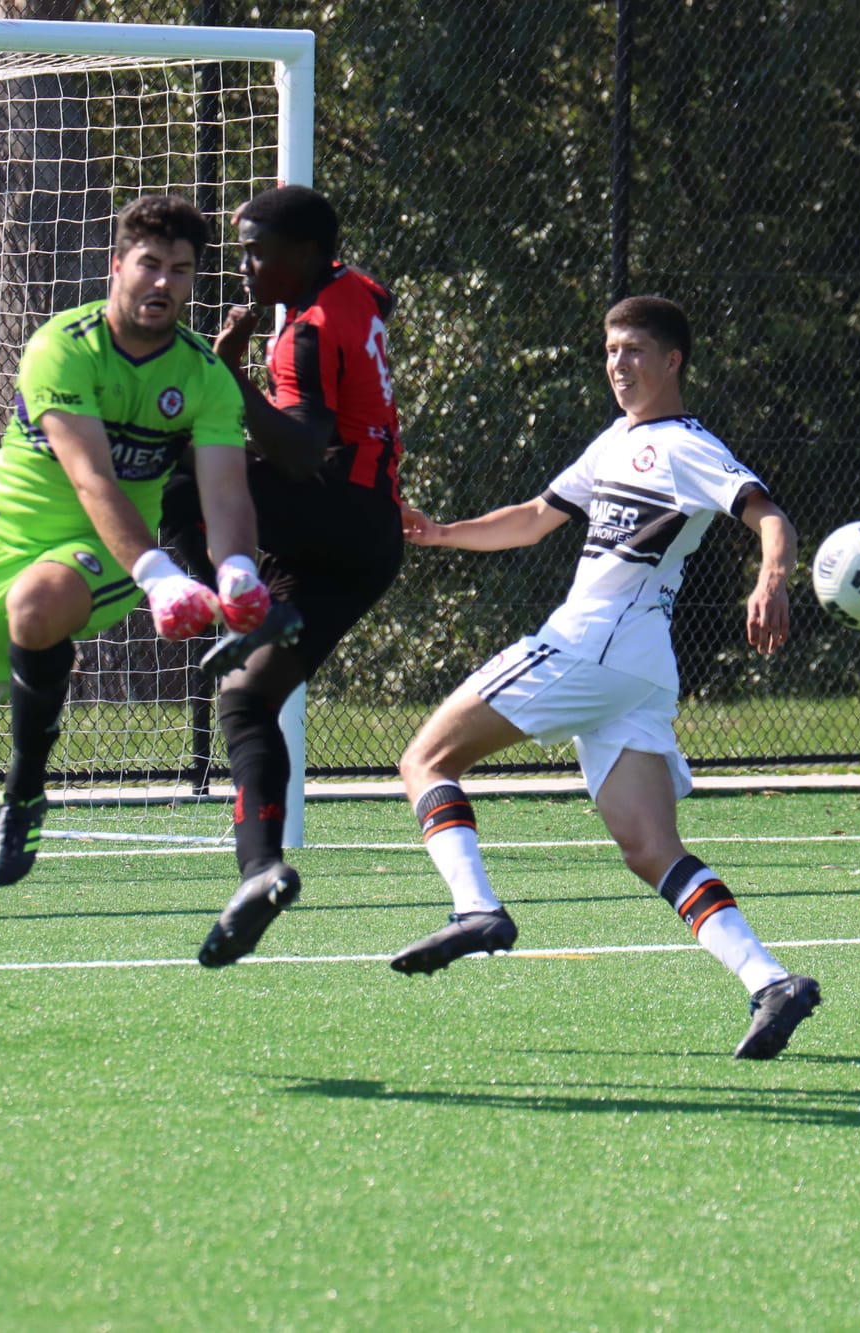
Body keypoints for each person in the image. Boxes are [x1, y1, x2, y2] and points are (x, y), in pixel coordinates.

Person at [392, 295, 821, 1060]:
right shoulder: (613, 443)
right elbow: (532, 516)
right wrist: (440, 533)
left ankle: (475, 908)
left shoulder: (686, 445)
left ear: (672, 362)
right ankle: (771, 981)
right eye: (610, 351)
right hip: (639, 664)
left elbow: (768, 514)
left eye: (632, 351)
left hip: (589, 645)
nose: (617, 364)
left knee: (425, 759)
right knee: (650, 846)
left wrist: (773, 578)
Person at [0, 194, 267, 886]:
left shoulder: (205, 379)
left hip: (104, 552)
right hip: (0, 541)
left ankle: (25, 790)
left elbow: (226, 492)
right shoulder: (62, 347)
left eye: (180, 271)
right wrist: (163, 578)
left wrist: (236, 568)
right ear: (116, 266)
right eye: (149, 265)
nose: (162, 283)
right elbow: (91, 477)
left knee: (37, 602)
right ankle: (29, 666)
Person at [160, 184, 408, 968]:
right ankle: (260, 871)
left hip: (338, 513)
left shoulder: (308, 330)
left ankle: (240, 604)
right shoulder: (346, 292)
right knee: (244, 701)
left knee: (181, 473)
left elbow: (299, 454)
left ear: (303, 255)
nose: (244, 265)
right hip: (361, 547)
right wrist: (239, 362)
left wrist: (222, 374)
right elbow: (377, 298)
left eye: (256, 250)